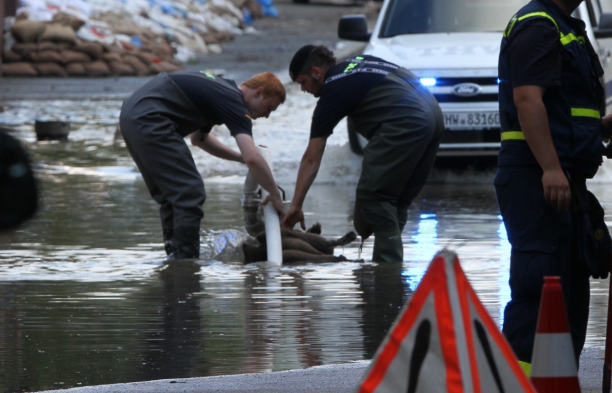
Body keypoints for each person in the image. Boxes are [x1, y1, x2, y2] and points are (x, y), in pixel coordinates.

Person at [494, 0, 612, 374]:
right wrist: (550, 167)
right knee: (539, 292)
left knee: (567, 296)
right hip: (537, 179)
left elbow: (561, 109)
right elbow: (527, 99)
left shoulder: (567, 28)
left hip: (564, 179)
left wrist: (600, 128)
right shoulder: (537, 26)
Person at [281, 45, 444, 263]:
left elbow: (312, 157)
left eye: (303, 82)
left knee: (373, 197)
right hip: (434, 115)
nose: (303, 89)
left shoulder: (333, 89)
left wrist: (296, 205)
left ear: (316, 73)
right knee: (396, 201)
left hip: (407, 121)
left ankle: (386, 273)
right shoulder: (359, 62)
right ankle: (393, 279)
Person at [119, 71, 286, 260]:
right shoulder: (235, 102)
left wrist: (239, 158)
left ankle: (175, 262)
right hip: (150, 117)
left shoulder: (222, 90)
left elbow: (199, 139)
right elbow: (253, 158)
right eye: (269, 107)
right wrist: (274, 193)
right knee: (190, 193)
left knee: (171, 197)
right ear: (258, 92)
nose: (267, 115)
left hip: (131, 114)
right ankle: (187, 264)